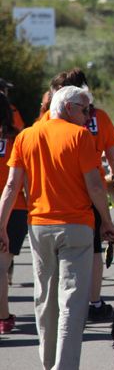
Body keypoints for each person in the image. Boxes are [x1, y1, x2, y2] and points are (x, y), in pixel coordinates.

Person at [0, 86, 114, 369]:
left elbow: (12, 186)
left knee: (45, 300)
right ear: (67, 108)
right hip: (76, 227)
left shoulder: (26, 135)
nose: (88, 116)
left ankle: (48, 362)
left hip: (39, 227)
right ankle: (64, 367)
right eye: (84, 109)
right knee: (73, 302)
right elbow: (95, 186)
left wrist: (1, 226)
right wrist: (107, 222)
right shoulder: (80, 137)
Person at [46, 68, 114, 321]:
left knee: (57, 250)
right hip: (92, 187)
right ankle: (94, 301)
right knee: (95, 249)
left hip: (55, 189)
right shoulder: (98, 116)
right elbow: (112, 151)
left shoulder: (49, 118)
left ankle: (59, 303)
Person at [0, 94, 24, 334]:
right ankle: (3, 318)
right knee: (1, 266)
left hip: (12, 207)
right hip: (15, 208)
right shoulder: (17, 139)